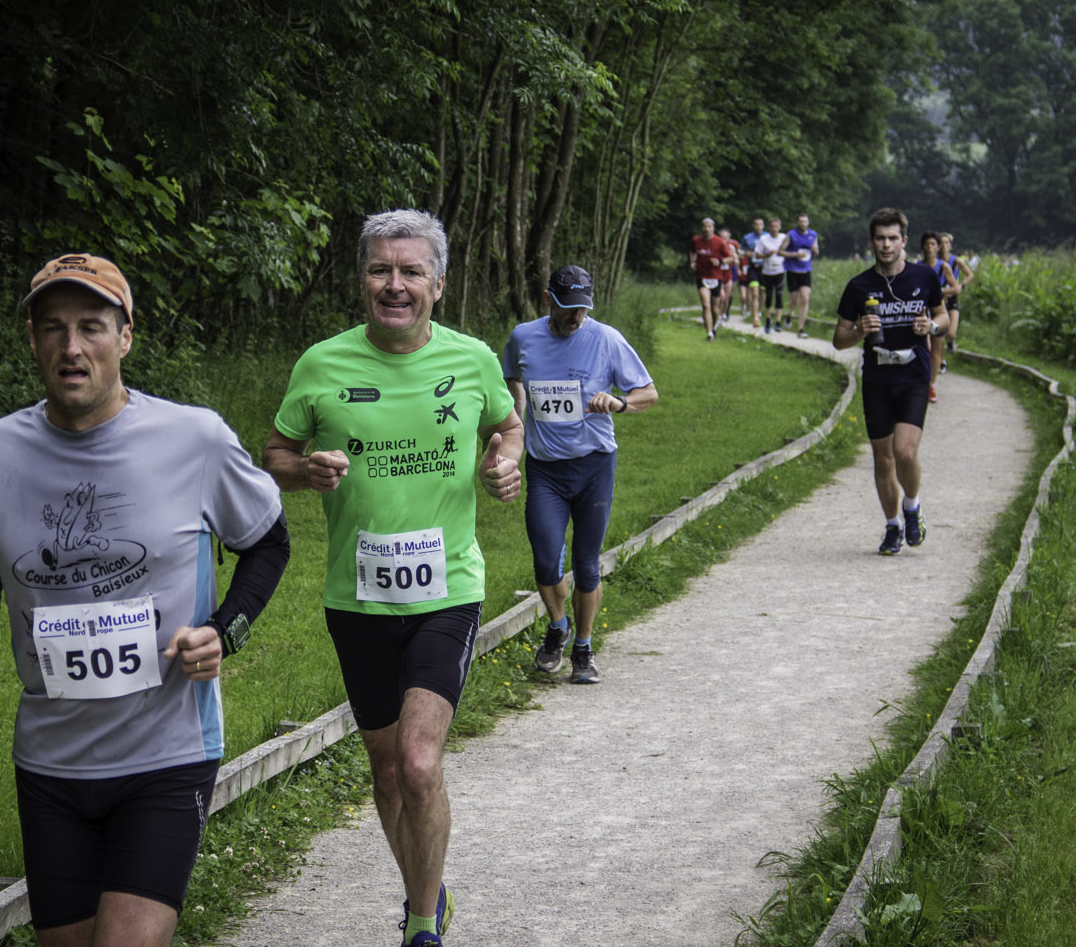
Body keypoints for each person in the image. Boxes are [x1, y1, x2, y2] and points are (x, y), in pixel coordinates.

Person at [0, 254, 290, 947]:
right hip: (50, 761)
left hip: (168, 750)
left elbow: (268, 542)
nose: (72, 347)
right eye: (53, 328)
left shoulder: (195, 439)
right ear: (33, 340)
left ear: (125, 337)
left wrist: (225, 632)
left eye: (92, 327)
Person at [261, 209, 523, 947]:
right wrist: (306, 470)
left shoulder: (472, 359)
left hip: (448, 591)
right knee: (384, 772)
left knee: (417, 760)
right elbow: (274, 455)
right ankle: (425, 892)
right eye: (381, 269)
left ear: (438, 284)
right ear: (362, 280)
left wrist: (505, 459)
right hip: (358, 599)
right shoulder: (322, 365)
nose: (395, 285)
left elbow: (507, 424)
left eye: (411, 272)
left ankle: (421, 925)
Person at [503, 265, 658, 686]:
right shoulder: (523, 337)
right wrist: (515, 426)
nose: (576, 316)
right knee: (544, 559)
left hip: (594, 466)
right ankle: (559, 626)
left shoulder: (607, 339)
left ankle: (584, 649)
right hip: (545, 470)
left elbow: (648, 393)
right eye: (568, 307)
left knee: (587, 565)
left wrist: (619, 403)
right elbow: (512, 381)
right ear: (547, 299)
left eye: (583, 308)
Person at [831, 209, 950, 556]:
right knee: (883, 459)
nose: (886, 244)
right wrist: (858, 330)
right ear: (871, 242)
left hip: (913, 376)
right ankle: (892, 526)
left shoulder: (924, 276)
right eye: (880, 238)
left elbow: (942, 316)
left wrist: (931, 327)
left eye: (893, 238)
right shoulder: (858, 286)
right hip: (878, 380)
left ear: (904, 241)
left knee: (905, 452)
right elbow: (839, 340)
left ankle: (912, 507)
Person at [918, 231, 959, 402]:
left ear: (938, 247)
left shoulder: (944, 267)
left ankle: (932, 385)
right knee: (925, 348)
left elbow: (955, 288)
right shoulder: (917, 266)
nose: (929, 248)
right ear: (922, 247)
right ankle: (922, 381)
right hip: (922, 311)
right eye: (927, 244)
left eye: (933, 244)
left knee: (935, 349)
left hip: (939, 311)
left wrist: (940, 291)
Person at [689, 217, 732, 340]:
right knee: (706, 305)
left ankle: (714, 327)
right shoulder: (696, 240)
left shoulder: (719, 242)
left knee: (715, 308)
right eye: (704, 226)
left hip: (716, 277)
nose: (707, 229)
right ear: (701, 228)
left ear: (713, 228)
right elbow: (692, 251)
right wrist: (692, 262)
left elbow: (729, 258)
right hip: (702, 276)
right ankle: (709, 333)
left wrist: (719, 262)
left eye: (709, 227)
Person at [782, 212, 820, 338]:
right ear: (797, 222)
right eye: (801, 221)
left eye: (805, 221)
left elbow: (816, 251)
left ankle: (800, 329)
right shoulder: (791, 235)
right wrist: (795, 254)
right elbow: (780, 252)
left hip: (806, 270)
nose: (803, 224)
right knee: (794, 300)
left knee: (805, 298)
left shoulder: (813, 234)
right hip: (792, 270)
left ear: (808, 223)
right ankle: (790, 313)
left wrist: (815, 250)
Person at [939, 232, 973, 354]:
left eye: (947, 243)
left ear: (950, 245)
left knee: (951, 333)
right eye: (941, 243)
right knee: (939, 332)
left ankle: (950, 341)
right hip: (939, 300)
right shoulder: (935, 261)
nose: (944, 245)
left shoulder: (956, 261)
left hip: (952, 298)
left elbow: (970, 274)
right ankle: (940, 357)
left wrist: (961, 285)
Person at [755, 215, 789, 333]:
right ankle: (768, 320)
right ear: (769, 228)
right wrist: (766, 255)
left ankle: (778, 322)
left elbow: (790, 251)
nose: (774, 229)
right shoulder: (763, 239)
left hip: (780, 270)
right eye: (772, 227)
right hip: (767, 271)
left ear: (780, 227)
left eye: (776, 227)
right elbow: (757, 255)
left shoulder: (784, 238)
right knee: (769, 297)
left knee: (779, 295)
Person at [741, 217, 765, 326]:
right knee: (754, 292)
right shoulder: (747, 237)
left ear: (763, 226)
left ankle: (759, 310)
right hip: (753, 268)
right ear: (753, 226)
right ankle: (755, 317)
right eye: (756, 224)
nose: (758, 227)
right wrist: (746, 254)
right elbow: (741, 251)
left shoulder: (767, 237)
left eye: (760, 224)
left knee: (762, 292)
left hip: (764, 268)